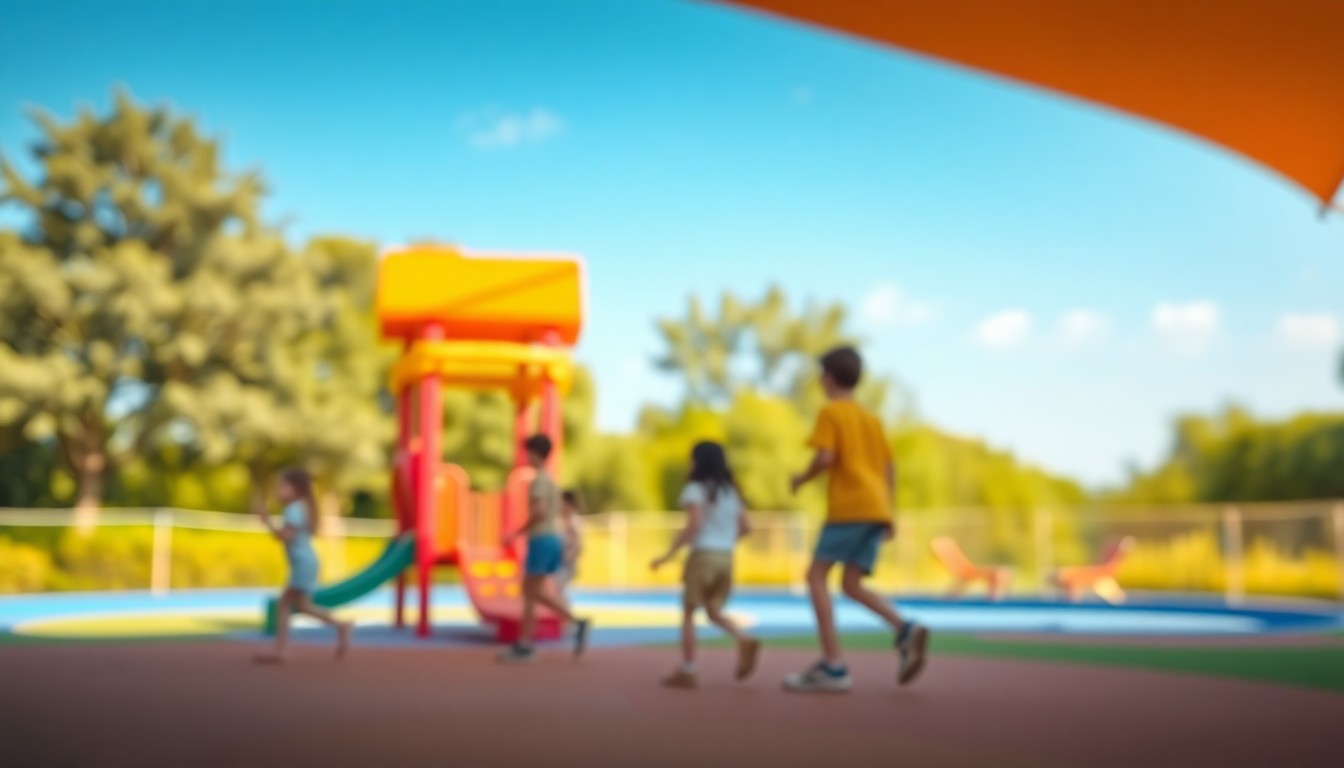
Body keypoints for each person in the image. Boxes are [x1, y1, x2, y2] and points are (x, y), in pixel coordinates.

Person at [785, 346, 928, 693]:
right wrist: (888, 511)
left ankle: (833, 665)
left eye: (821, 376)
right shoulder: (872, 418)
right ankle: (903, 627)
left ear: (829, 378)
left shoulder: (832, 412)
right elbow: (888, 467)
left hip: (849, 508)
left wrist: (802, 479)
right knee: (851, 583)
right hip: (876, 509)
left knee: (815, 576)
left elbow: (827, 455)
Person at [650, 441, 761, 689]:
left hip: (703, 556)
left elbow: (694, 524)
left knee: (689, 612)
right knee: (713, 610)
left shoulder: (695, 489)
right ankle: (744, 638)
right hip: (727, 557)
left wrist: (668, 554)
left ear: (698, 461)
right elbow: (746, 527)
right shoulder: (731, 492)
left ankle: (689, 669)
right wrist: (724, 542)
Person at [497, 435, 592, 663]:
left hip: (541, 539)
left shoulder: (539, 481)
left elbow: (538, 513)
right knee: (532, 591)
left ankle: (565, 626)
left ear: (535, 453)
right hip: (552, 538)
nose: (525, 456)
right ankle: (527, 642)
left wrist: (515, 534)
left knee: (531, 591)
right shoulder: (551, 480)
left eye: (528, 452)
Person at [254, 468, 352, 664]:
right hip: (307, 562)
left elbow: (285, 537)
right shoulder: (302, 507)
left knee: (284, 604)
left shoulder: (294, 509)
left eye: (282, 486)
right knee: (304, 606)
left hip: (303, 563)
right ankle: (341, 626)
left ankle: (280, 651)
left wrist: (266, 522)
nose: (278, 491)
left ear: (295, 489)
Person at [555, 489, 584, 606]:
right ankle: (566, 618)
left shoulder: (574, 521)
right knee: (558, 591)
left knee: (558, 589)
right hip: (560, 560)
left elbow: (578, 544)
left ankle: (568, 619)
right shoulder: (562, 520)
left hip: (567, 562)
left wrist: (569, 558)